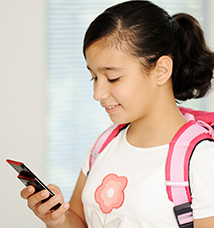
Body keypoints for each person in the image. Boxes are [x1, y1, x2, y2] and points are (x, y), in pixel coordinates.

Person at [21, 1, 214, 227]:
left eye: (113, 78)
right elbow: (79, 221)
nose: (98, 93)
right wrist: (57, 219)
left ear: (161, 71)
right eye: (94, 77)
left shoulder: (201, 160)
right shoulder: (104, 145)